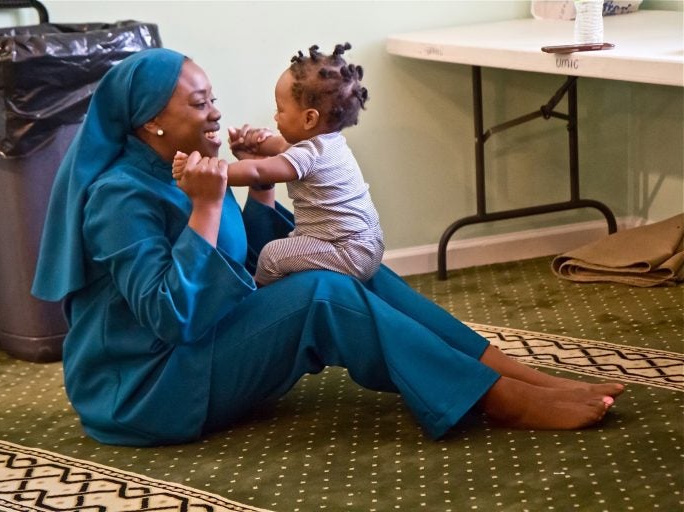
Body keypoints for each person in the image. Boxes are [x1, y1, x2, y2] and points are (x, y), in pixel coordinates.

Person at [32, 48, 623, 447]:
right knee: (323, 291)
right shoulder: (118, 197)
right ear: (147, 122)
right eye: (198, 103)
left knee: (355, 270)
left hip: (199, 350)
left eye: (212, 96)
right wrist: (210, 207)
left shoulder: (189, 170)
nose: (215, 111)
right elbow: (172, 317)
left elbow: (244, 267)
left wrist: (260, 188)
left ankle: (511, 374)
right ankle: (499, 401)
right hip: (146, 391)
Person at [174, 43, 383, 286]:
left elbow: (257, 171)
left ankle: (258, 293)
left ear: (309, 118)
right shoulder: (327, 145)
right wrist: (256, 142)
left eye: (280, 110)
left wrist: (208, 170)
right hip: (365, 243)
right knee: (291, 246)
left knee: (272, 255)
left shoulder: (308, 156)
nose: (275, 117)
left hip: (347, 250)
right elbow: (281, 146)